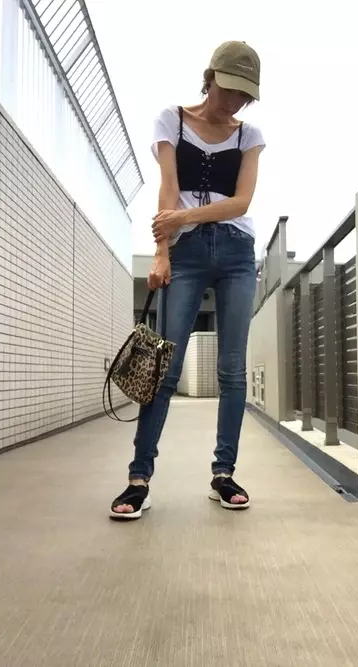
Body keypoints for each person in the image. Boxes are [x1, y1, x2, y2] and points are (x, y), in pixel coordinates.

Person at [110, 40, 265, 520]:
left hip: (238, 251)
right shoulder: (171, 120)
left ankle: (224, 474)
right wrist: (162, 251)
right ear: (210, 77)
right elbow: (169, 189)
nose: (235, 101)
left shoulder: (250, 135)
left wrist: (183, 216)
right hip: (187, 252)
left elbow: (241, 203)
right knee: (165, 366)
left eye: (245, 94)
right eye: (230, 89)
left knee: (232, 370)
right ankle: (138, 479)